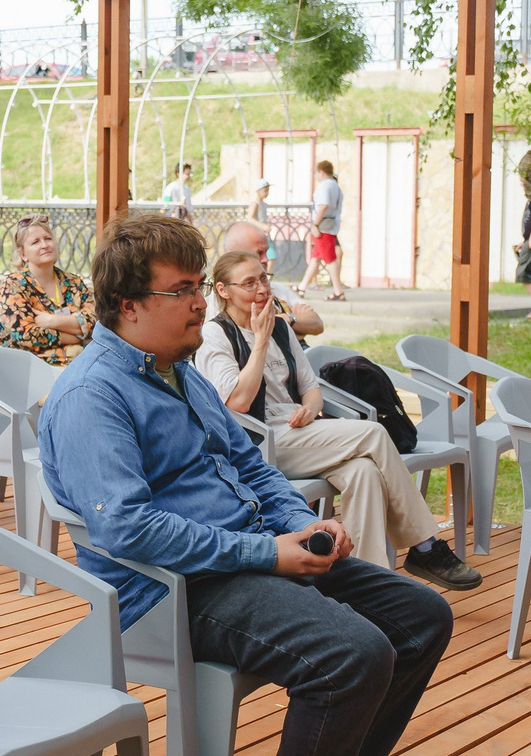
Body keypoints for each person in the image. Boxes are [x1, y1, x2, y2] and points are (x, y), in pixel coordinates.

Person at [39, 214, 454, 756]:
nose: (200, 301)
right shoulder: (93, 395)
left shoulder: (177, 373)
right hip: (171, 592)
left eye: (200, 285)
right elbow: (130, 531)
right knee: (355, 651)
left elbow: (250, 463)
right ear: (128, 305)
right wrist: (266, 552)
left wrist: (303, 526)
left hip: (247, 556)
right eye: (182, 290)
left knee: (420, 615)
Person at [194, 247, 479, 591]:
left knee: (365, 472)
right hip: (259, 440)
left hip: (302, 429)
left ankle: (366, 581)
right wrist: (259, 342)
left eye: (264, 278)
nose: (261, 289)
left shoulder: (281, 329)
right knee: (373, 434)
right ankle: (425, 546)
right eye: (249, 283)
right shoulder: (216, 335)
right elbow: (236, 403)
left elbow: (311, 388)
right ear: (223, 291)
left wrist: (310, 409)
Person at [0, 215, 96, 366]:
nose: (45, 245)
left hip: (81, 364)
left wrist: (52, 321)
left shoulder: (73, 282)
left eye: (48, 238)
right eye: (35, 242)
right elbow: (26, 335)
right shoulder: (13, 286)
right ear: (23, 255)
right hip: (33, 370)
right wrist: (78, 335)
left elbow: (96, 322)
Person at [218, 218, 323, 337]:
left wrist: (285, 319)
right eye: (258, 253)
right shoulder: (215, 303)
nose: (266, 259)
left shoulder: (276, 288)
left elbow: (317, 323)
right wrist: (293, 323)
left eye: (266, 252)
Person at [301, 159, 347, 302]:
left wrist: (315, 224)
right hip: (331, 224)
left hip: (323, 226)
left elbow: (323, 205)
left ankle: (338, 291)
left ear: (321, 172)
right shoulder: (336, 186)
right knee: (316, 258)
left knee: (329, 258)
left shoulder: (324, 186)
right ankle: (301, 287)